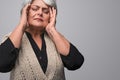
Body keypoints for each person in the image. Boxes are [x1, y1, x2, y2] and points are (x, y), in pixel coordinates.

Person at [0, 0, 84, 80]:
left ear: (51, 15)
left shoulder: (57, 39)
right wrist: (22, 25)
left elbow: (76, 62)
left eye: (46, 11)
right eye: (34, 9)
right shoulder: (13, 37)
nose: (40, 13)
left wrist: (52, 30)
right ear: (26, 12)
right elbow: (2, 64)